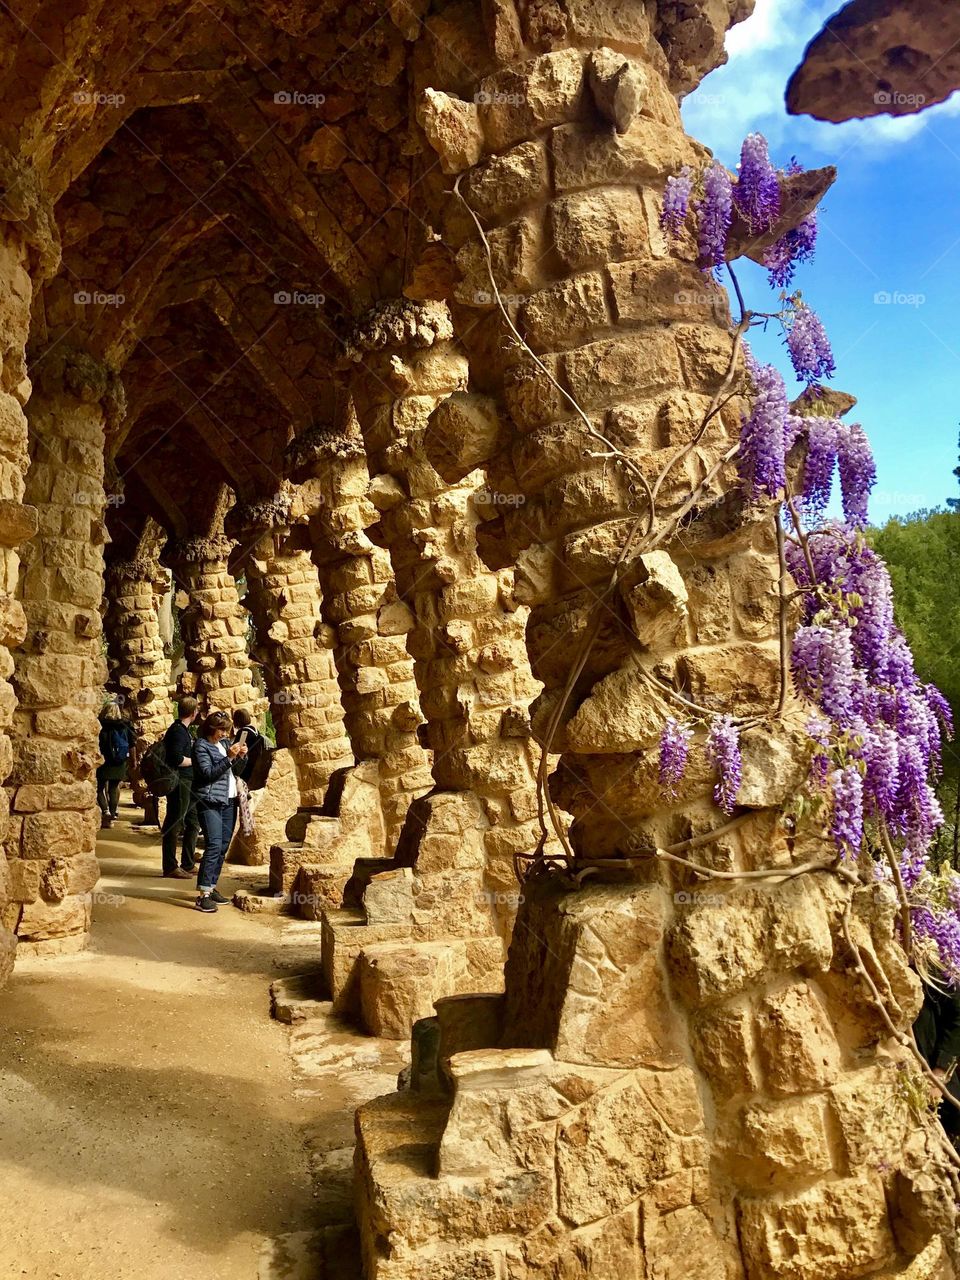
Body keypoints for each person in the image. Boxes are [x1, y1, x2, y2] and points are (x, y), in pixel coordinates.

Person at [192, 710, 247, 913]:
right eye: (221, 730)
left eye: (226, 730)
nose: (224, 734)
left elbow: (236, 771)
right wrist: (229, 758)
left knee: (223, 846)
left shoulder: (224, 745)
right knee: (213, 845)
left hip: (228, 800)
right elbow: (207, 774)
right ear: (211, 729)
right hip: (210, 801)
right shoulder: (201, 746)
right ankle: (203, 894)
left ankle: (212, 885)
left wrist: (241, 756)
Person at [160, 696, 200, 879]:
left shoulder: (183, 730)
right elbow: (176, 758)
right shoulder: (178, 732)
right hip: (180, 782)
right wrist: (196, 761)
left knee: (193, 822)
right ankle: (170, 866)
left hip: (188, 782)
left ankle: (188, 862)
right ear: (193, 713)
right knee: (174, 822)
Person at [96, 703, 137, 828]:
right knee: (113, 788)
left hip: (103, 761)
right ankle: (112, 814)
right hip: (119, 761)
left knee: (99, 788)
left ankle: (105, 810)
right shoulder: (125, 725)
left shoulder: (100, 724)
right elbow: (132, 744)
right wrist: (133, 761)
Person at [231, 708, 265, 784]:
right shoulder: (255, 730)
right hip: (256, 762)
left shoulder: (244, 732)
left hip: (247, 764)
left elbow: (238, 748)